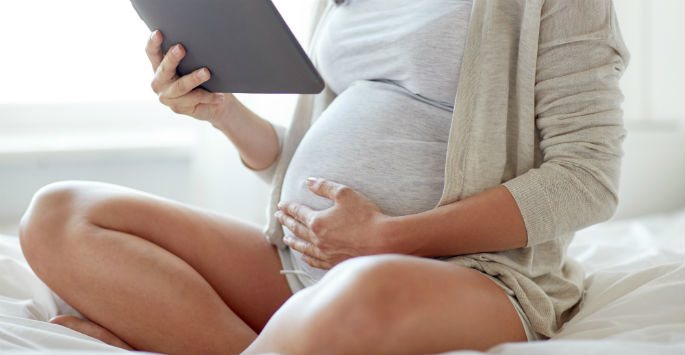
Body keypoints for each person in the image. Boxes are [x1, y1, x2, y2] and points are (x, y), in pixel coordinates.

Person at [18, 0, 629, 354]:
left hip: (468, 274)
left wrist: (388, 238)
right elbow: (312, 164)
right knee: (59, 213)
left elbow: (586, 178)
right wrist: (225, 112)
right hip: (303, 260)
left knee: (361, 288)